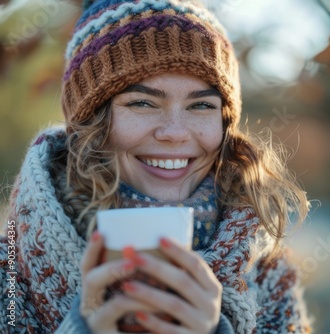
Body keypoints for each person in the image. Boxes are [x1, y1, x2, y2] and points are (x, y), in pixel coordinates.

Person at [0, 0, 311, 333]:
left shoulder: (271, 280)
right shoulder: (9, 278)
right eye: (143, 102)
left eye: (202, 105)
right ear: (91, 124)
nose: (175, 133)